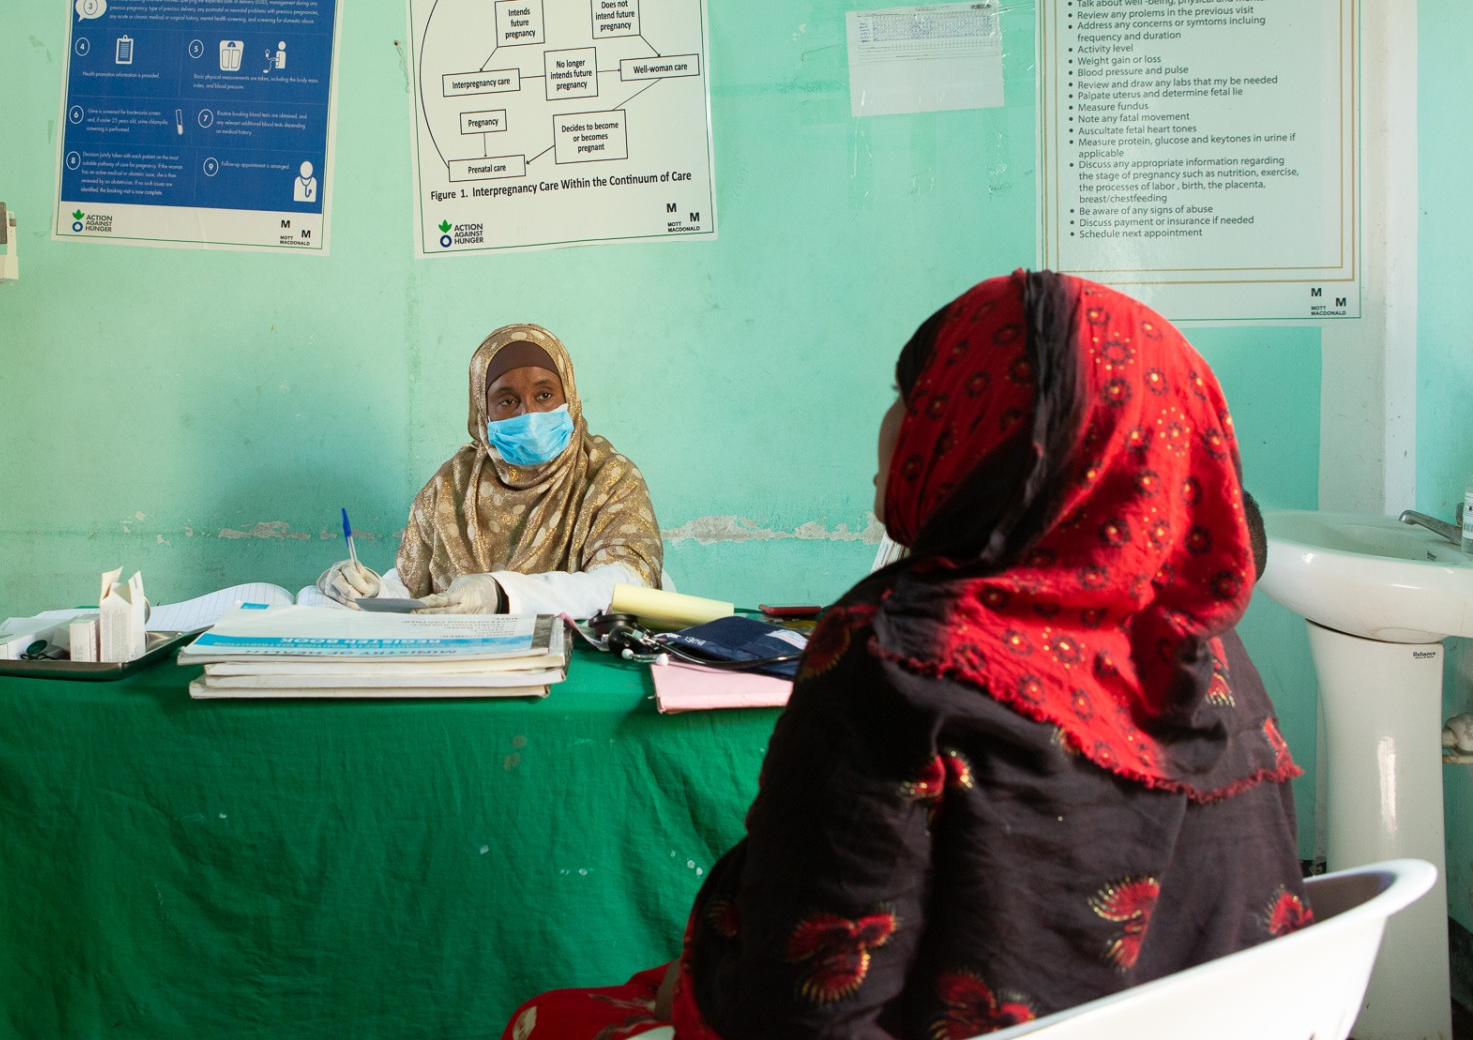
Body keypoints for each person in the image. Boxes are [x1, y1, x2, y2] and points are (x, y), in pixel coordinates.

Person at [500, 271, 1307, 1040]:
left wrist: (698, 978)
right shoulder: (1207, 647)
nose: (892, 426)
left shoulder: (896, 653)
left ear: (985, 430)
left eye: (910, 396)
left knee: (547, 1018)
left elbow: (803, 1003)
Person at [316, 323, 664, 616]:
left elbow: (626, 582)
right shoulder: (450, 488)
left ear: (569, 396)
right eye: (507, 400)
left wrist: (502, 593)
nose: (527, 414)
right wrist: (372, 589)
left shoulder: (608, 478)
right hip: (457, 671)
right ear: (483, 412)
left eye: (544, 395)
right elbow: (414, 590)